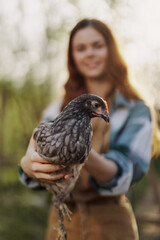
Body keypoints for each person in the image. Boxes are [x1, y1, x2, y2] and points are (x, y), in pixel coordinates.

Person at [19, 19, 154, 240]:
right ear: (72, 57)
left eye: (97, 45)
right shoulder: (56, 108)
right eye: (81, 48)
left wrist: (81, 152)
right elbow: (36, 174)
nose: (89, 53)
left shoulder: (136, 110)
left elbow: (128, 172)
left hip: (111, 224)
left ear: (111, 50)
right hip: (62, 222)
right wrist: (27, 165)